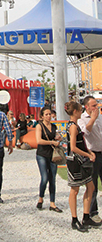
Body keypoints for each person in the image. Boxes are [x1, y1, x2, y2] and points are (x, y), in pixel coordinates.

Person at [65, 100, 101, 231]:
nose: (81, 112)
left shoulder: (75, 125)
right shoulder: (73, 126)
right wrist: (88, 155)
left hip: (82, 160)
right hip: (76, 162)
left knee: (90, 187)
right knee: (75, 190)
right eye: (80, 110)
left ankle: (86, 217)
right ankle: (74, 219)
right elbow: (73, 147)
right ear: (75, 112)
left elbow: (81, 143)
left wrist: (88, 151)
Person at [78, 95, 102, 224]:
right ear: (86, 107)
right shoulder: (81, 119)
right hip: (92, 155)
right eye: (93, 105)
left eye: (97, 105)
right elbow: (85, 133)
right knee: (92, 186)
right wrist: (92, 119)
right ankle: (93, 213)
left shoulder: (101, 117)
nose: (96, 108)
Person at [35, 106, 63, 213]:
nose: (48, 116)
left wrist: (58, 138)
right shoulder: (39, 126)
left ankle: (52, 203)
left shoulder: (54, 126)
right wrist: (52, 142)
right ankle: (41, 197)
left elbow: (56, 136)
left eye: (49, 114)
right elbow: (39, 140)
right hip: (42, 154)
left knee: (53, 178)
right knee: (44, 177)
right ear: (42, 116)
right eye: (46, 114)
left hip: (52, 155)